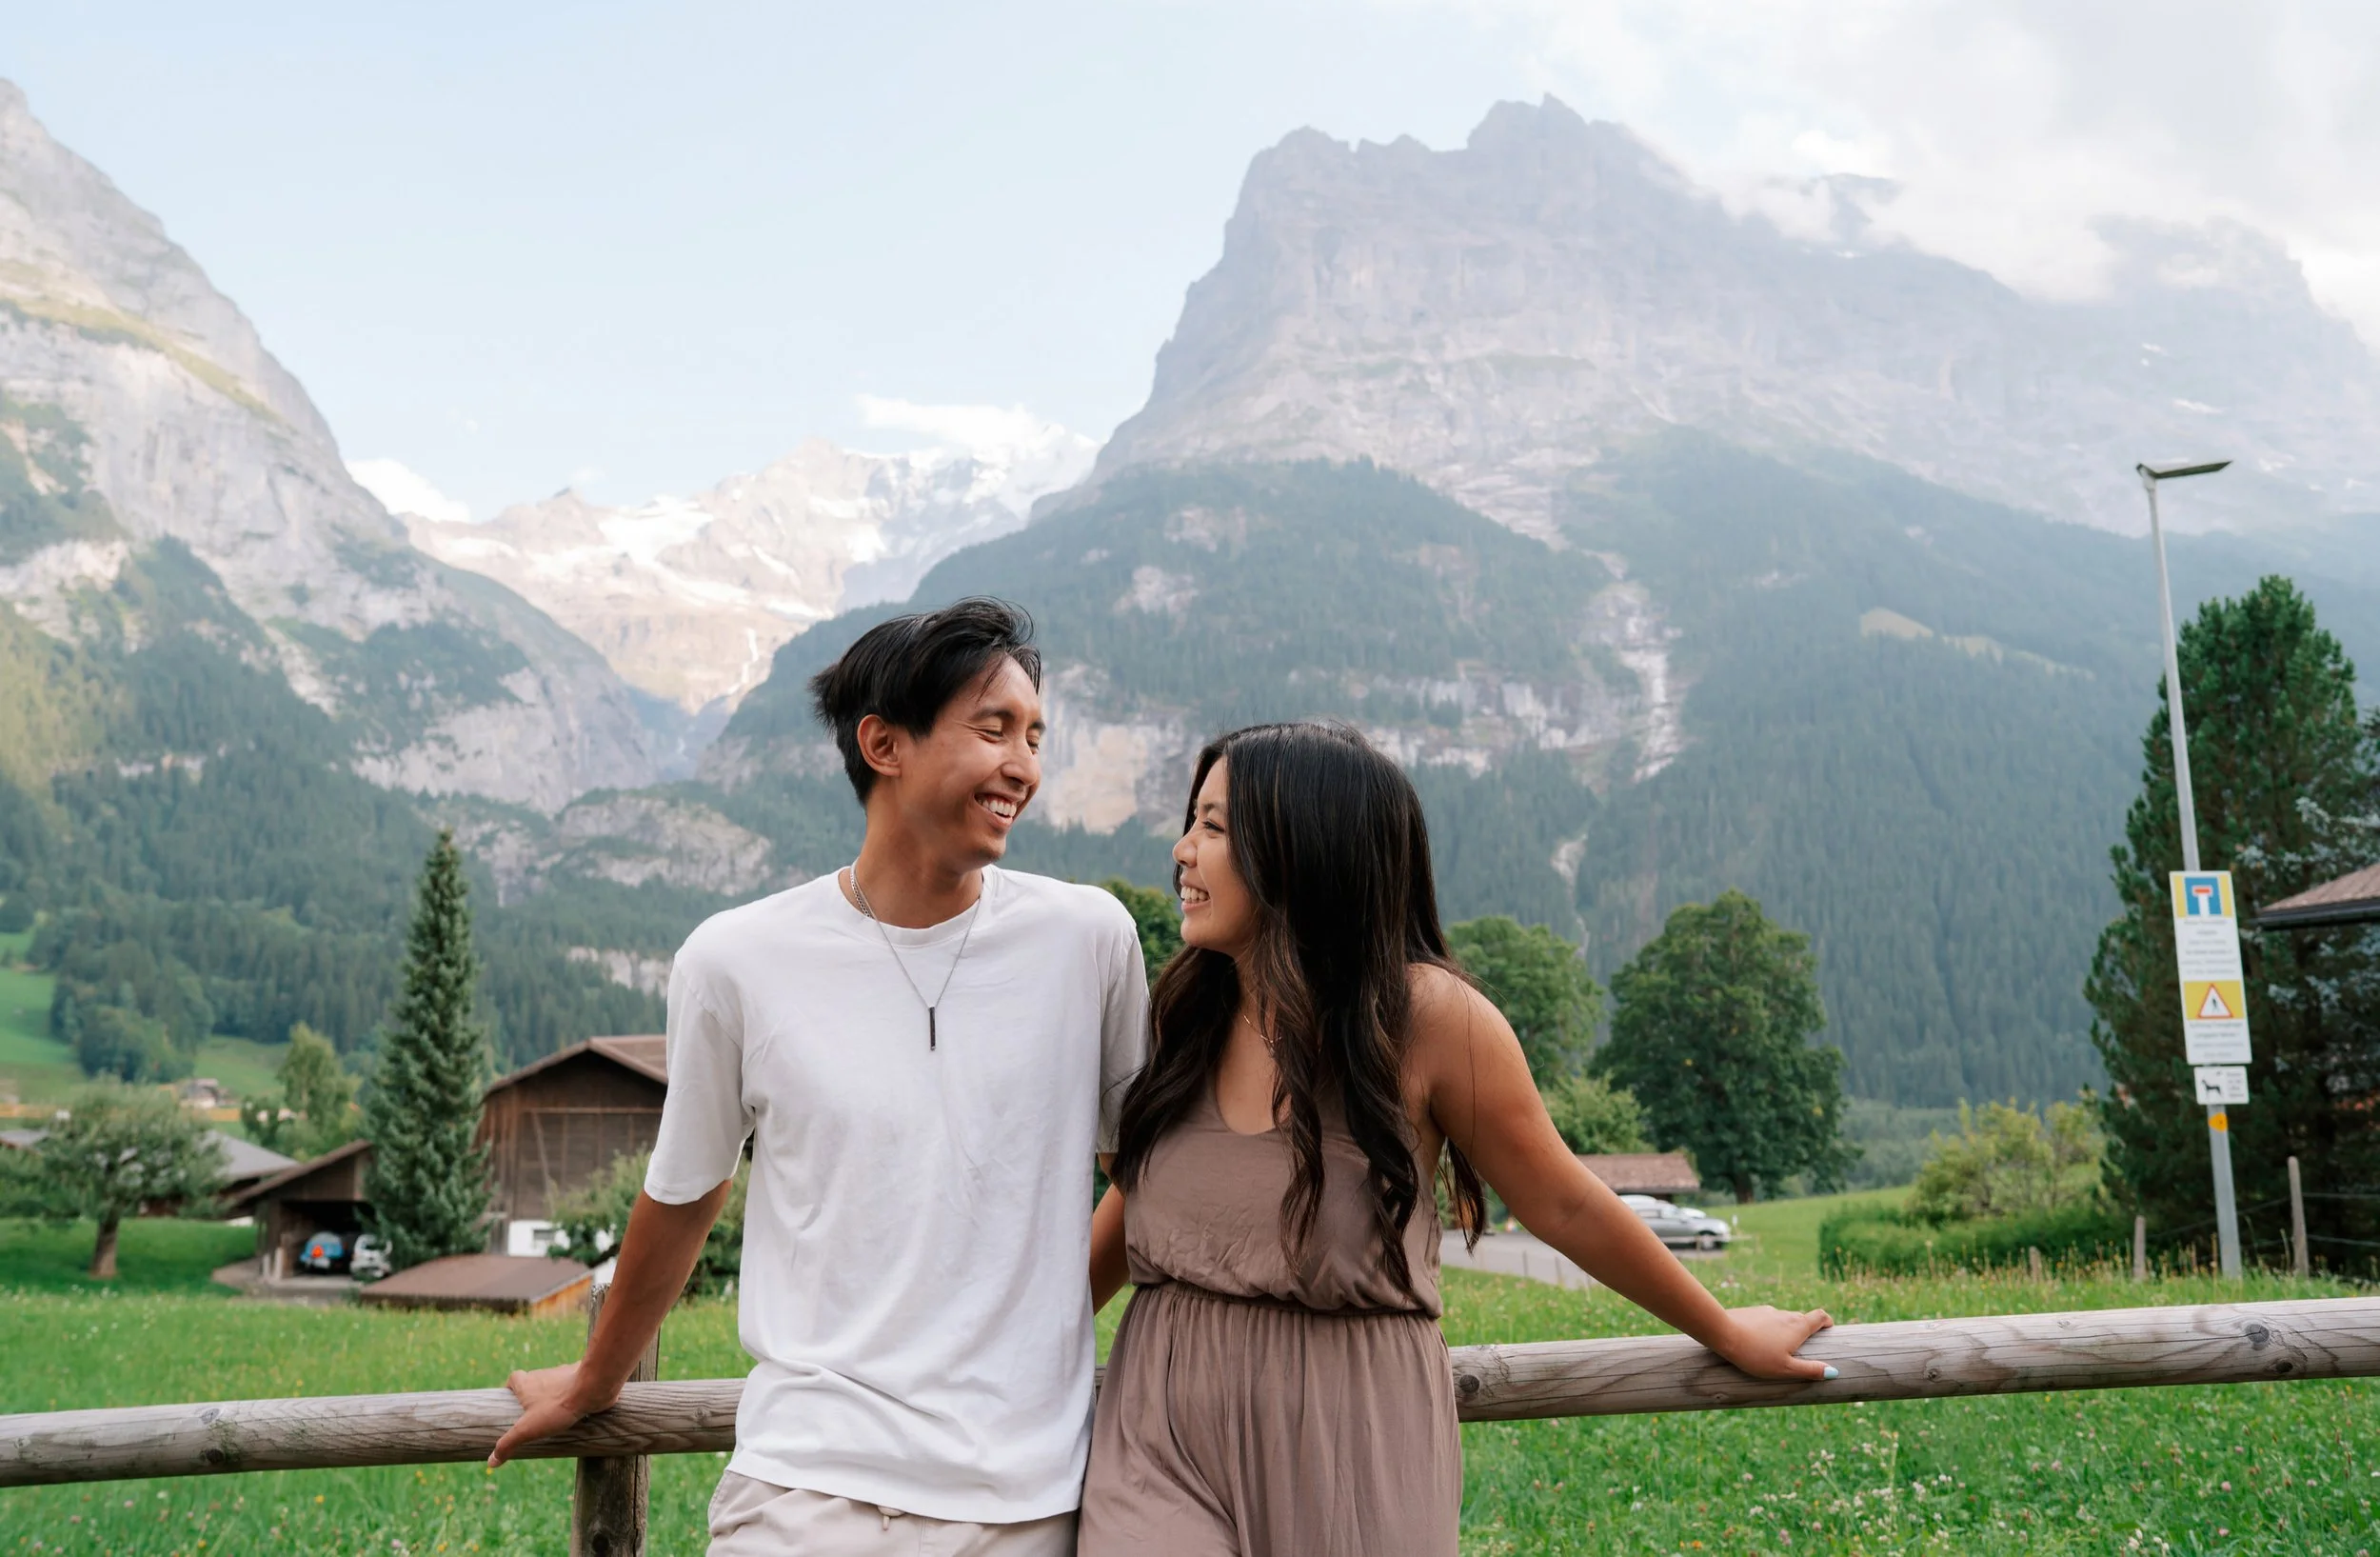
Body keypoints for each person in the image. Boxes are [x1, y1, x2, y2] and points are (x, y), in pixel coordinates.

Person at [488, 597, 1151, 1556]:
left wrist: (1032, 1314)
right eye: (993, 727)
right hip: (800, 1491)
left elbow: (1149, 1171)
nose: (1025, 766)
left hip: (1020, 1500)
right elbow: (685, 1187)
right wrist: (597, 1376)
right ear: (884, 743)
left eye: (1036, 736)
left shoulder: (1089, 939)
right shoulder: (736, 958)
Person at [1079, 722, 1836, 1557]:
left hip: (1350, 1443)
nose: (1183, 850)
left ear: (1304, 849)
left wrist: (1723, 1328)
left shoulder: (1432, 1019)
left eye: (1214, 827)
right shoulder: (1182, 1011)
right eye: (1193, 820)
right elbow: (1143, 1202)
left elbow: (1562, 1203)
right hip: (1158, 1434)